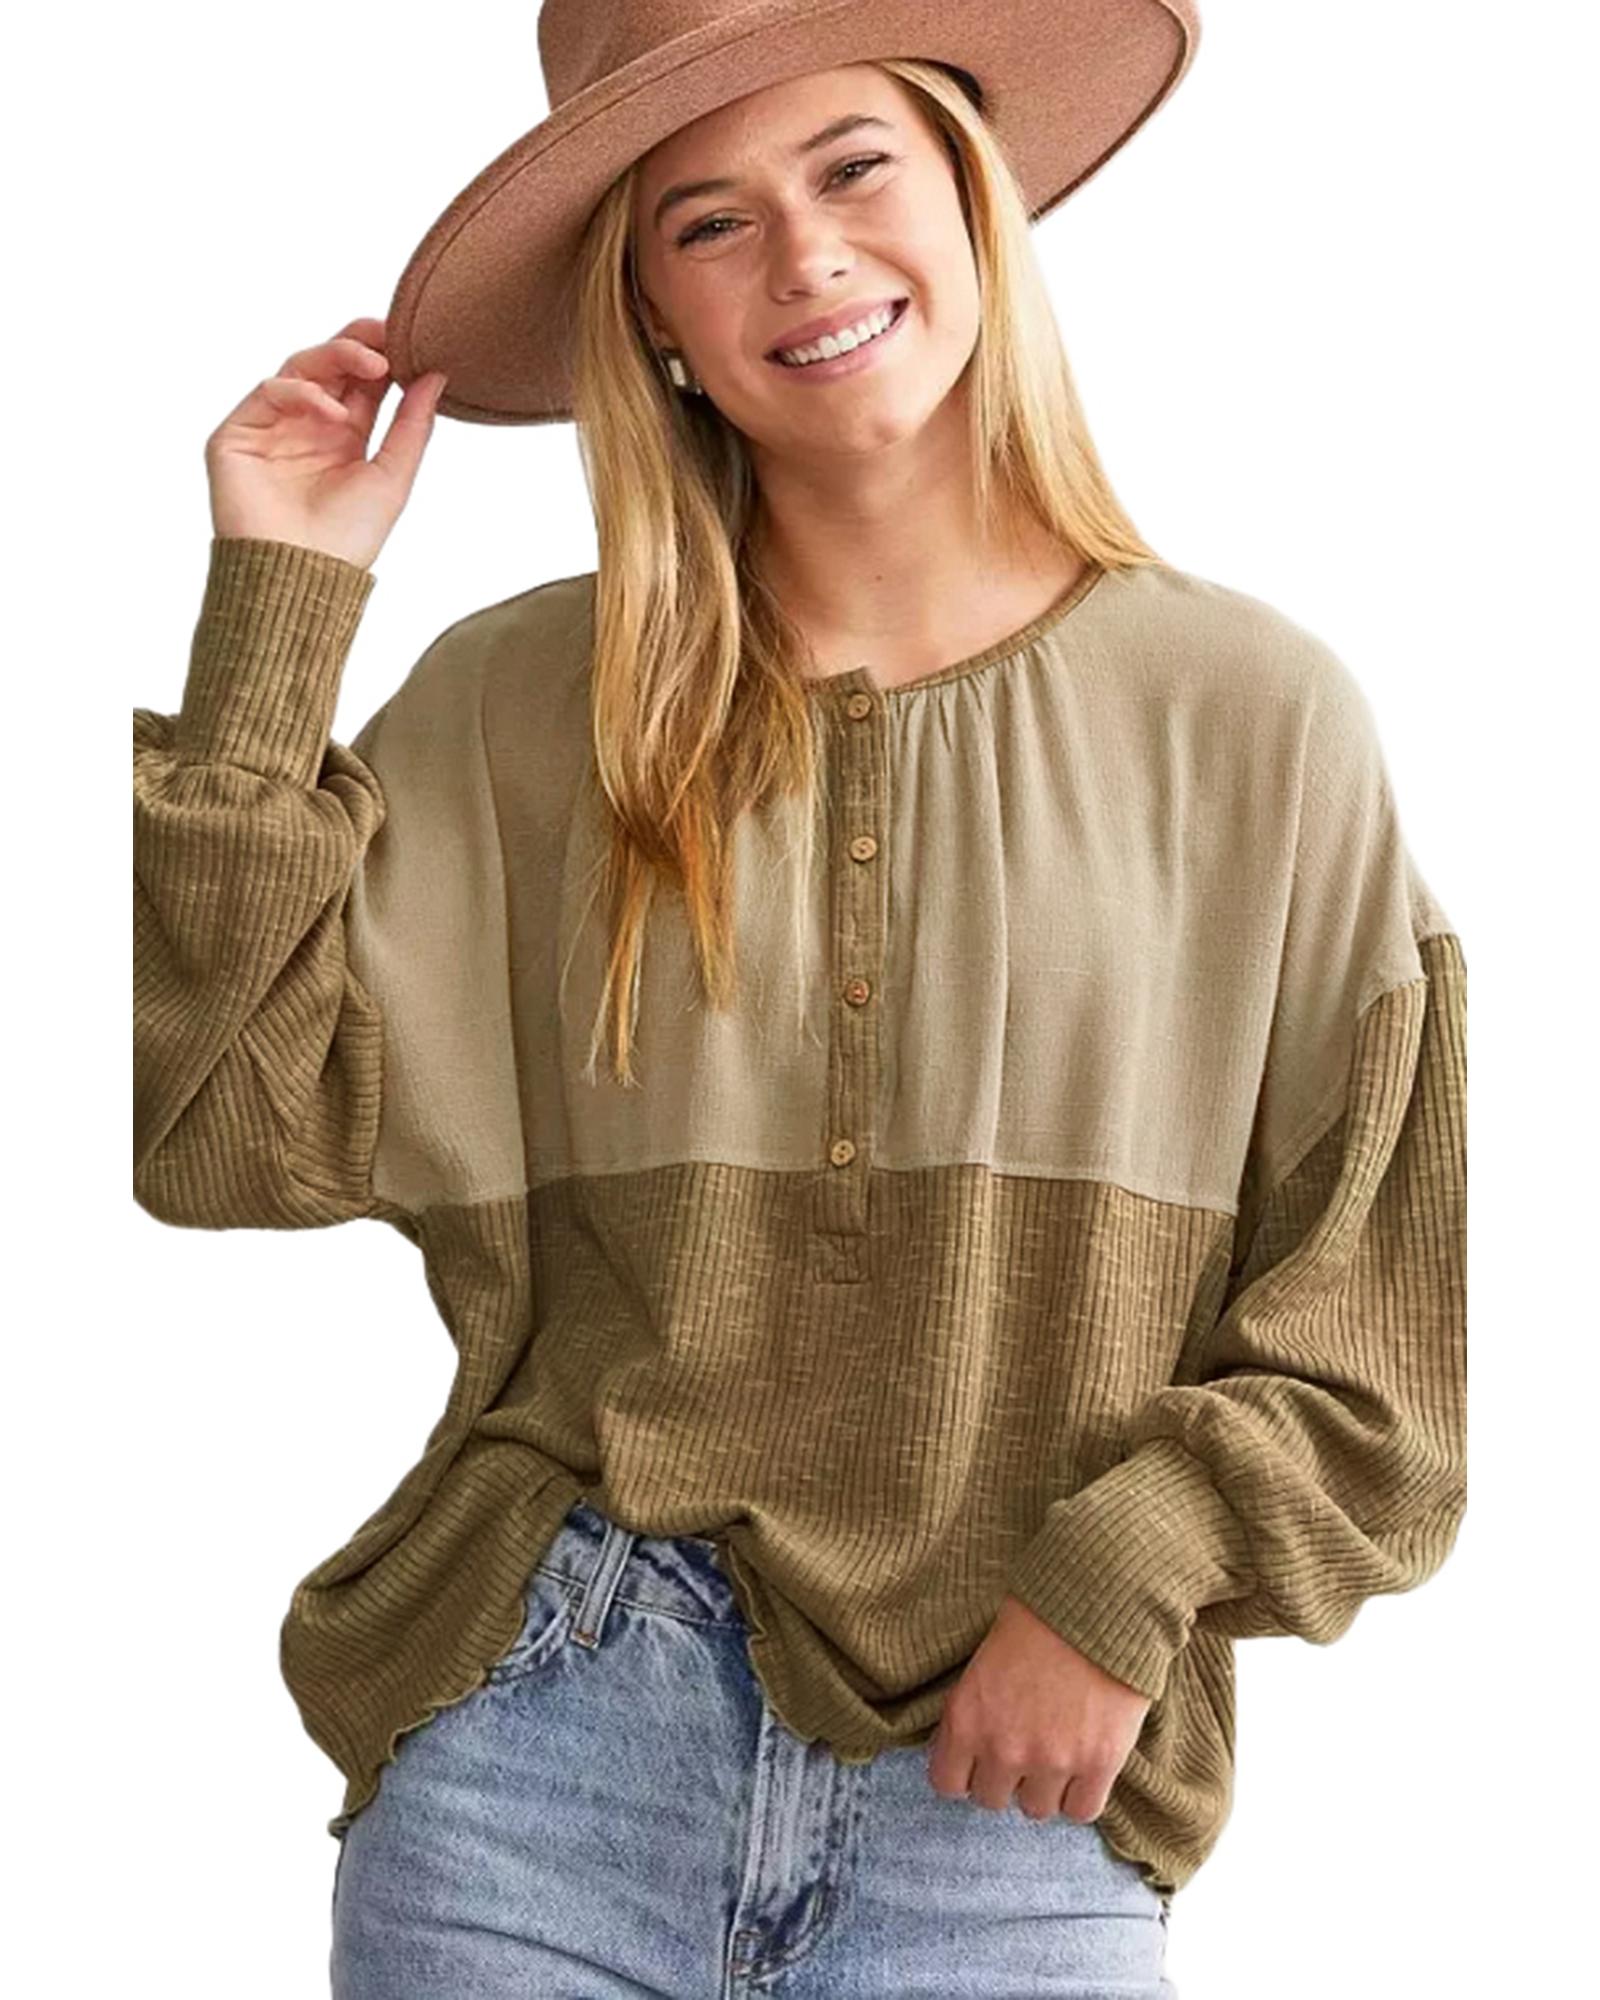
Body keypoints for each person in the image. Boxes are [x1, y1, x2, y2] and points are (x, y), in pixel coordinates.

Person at [132, 4, 1467, 1994]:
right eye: (709, 222)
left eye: (853, 168)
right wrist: (278, 609)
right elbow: (221, 1139)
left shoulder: (1255, 720)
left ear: (971, 195)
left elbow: (1382, 1359)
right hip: (533, 1762)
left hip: (1012, 1803)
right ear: (652, 316)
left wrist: (1126, 1577)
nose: (807, 257)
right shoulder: (517, 707)